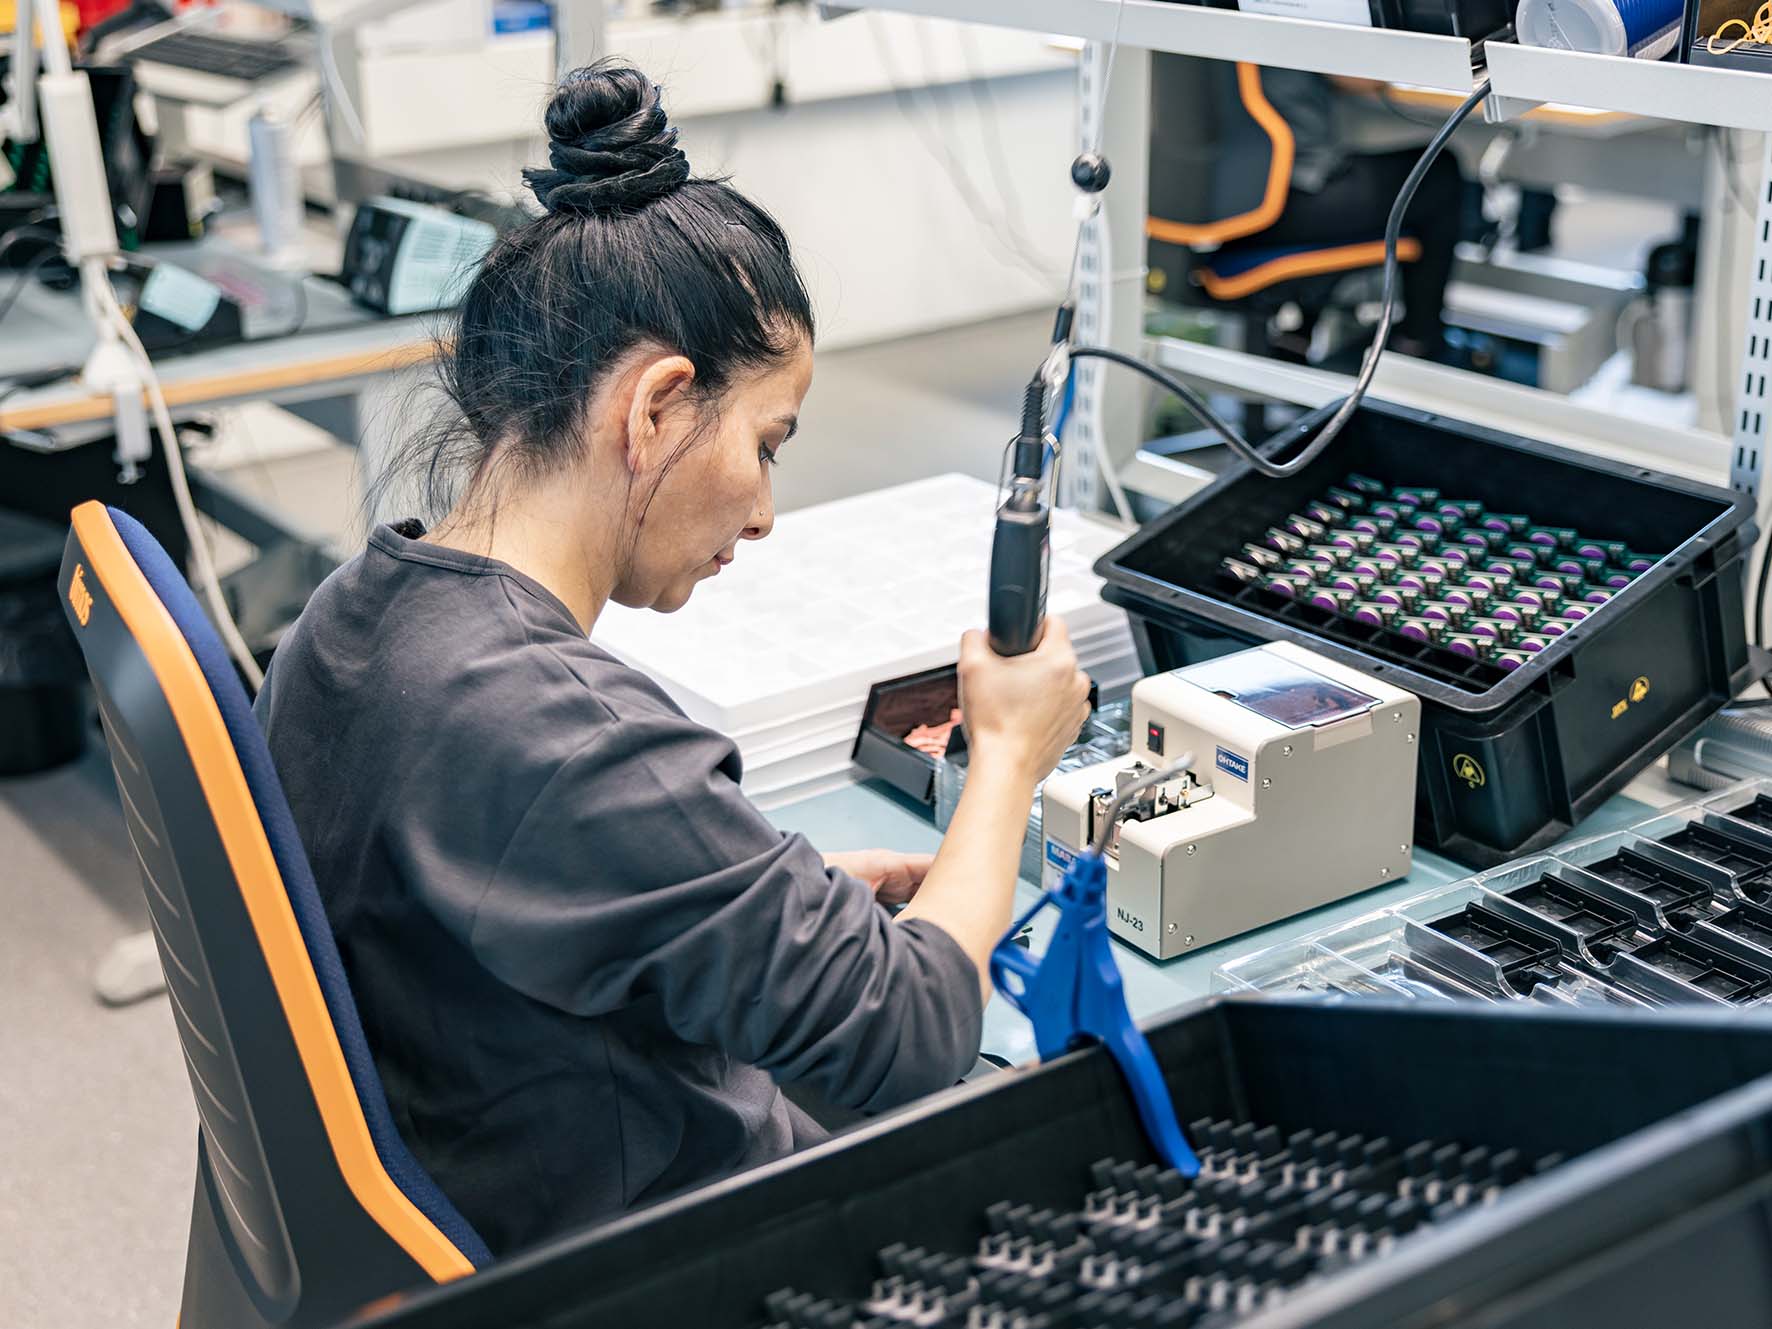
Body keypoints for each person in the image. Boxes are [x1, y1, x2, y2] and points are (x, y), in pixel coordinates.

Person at [253, 62, 1091, 1257]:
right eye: (766, 442)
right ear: (653, 410)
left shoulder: (353, 610)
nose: (761, 512)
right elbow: (912, 1038)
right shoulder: (573, 740)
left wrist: (734, 896)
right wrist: (1004, 758)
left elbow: (500, 888)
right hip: (653, 1255)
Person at [1252, 70, 1466, 360]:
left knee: (1351, 178)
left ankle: (1301, 330)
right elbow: (1364, 80)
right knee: (1438, 173)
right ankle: (1418, 340)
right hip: (1282, 207)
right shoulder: (1292, 25)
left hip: (1214, 205)